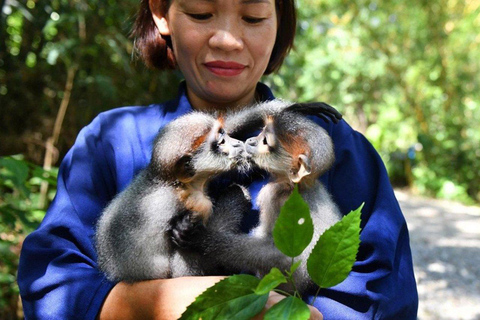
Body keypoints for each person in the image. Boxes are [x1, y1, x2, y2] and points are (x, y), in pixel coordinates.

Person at [17, 0, 418, 319]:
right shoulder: (110, 142)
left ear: (279, 19)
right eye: (201, 13)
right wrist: (145, 305)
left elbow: (381, 294)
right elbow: (53, 283)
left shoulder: (338, 150)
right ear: (161, 13)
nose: (227, 39)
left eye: (254, 15)